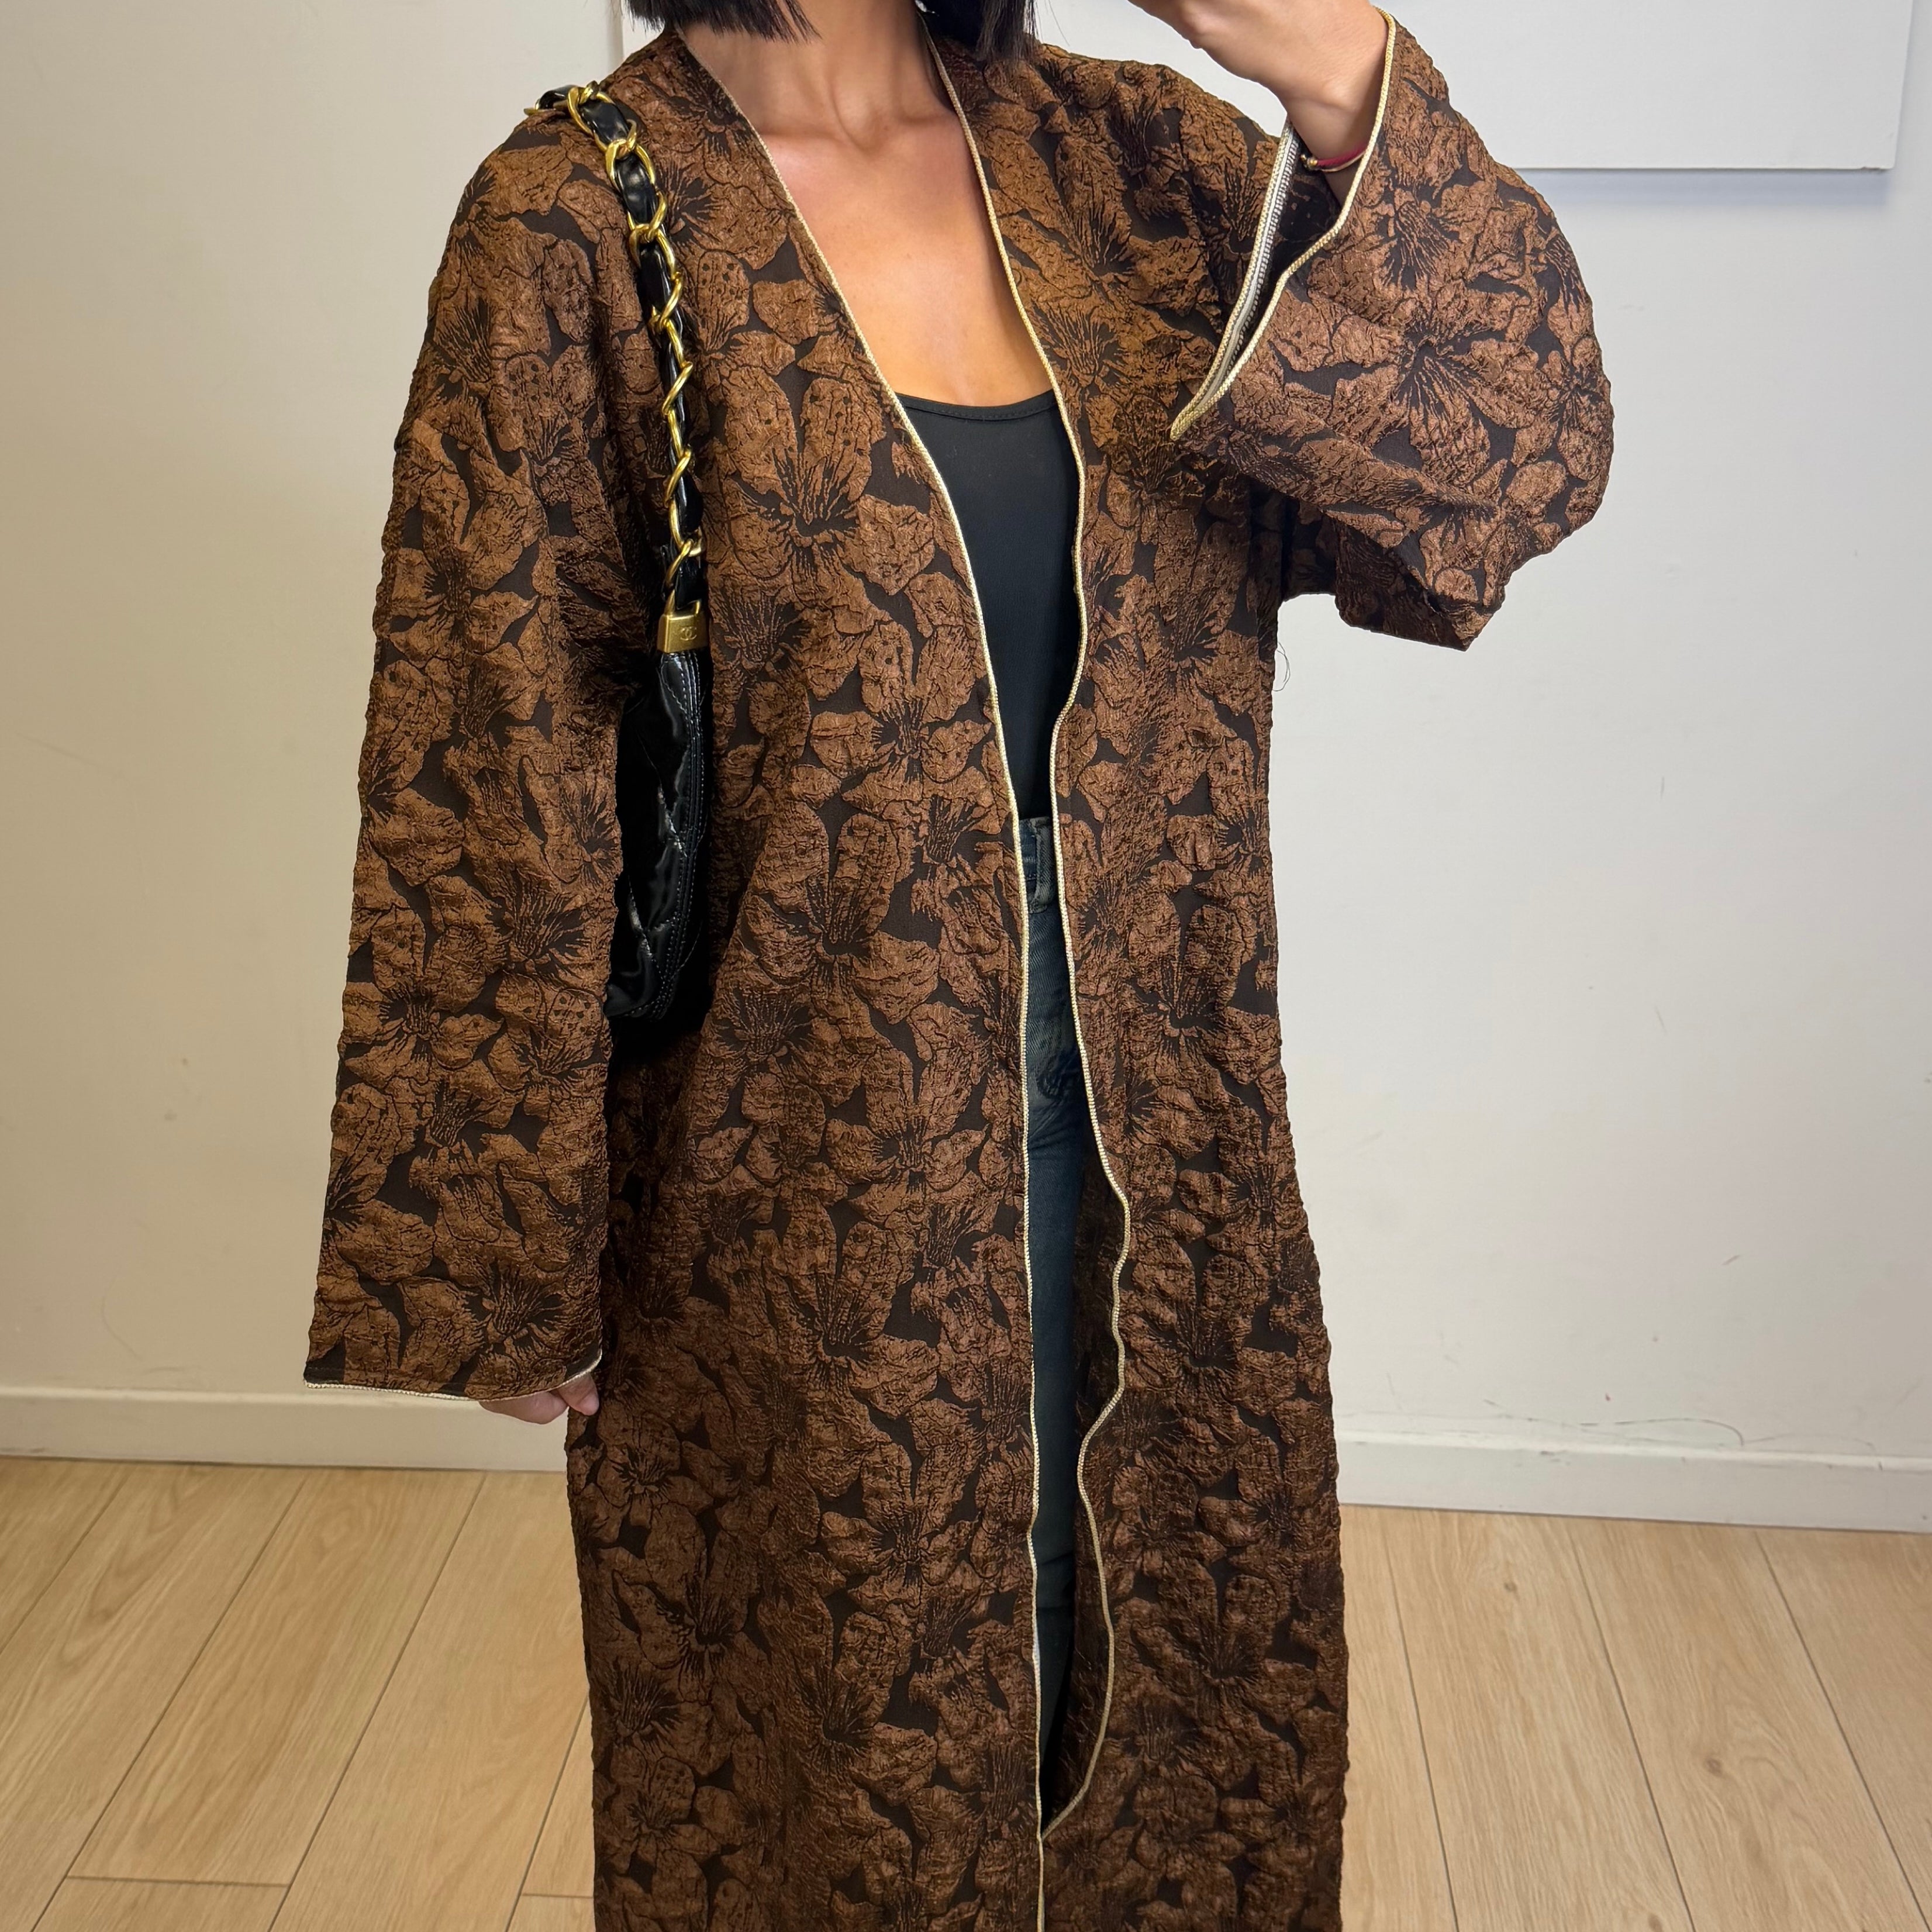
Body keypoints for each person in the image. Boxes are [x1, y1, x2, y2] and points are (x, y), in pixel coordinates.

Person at [305, 0, 1610, 1919]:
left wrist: (1326, 54)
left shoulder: (1135, 170)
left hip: (1171, 1129)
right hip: (808, 1160)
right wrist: (502, 1248)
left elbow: (1517, 461)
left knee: (1185, 1676)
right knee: (851, 1740)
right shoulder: (579, 218)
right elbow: (489, 731)